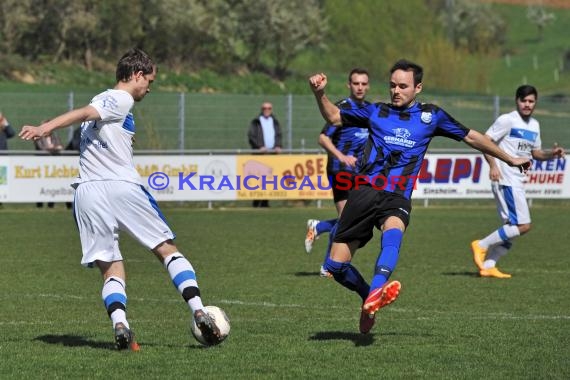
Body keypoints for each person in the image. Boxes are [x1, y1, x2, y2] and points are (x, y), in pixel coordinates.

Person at [19, 48, 223, 350]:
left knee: (111, 267)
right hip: (120, 186)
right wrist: (45, 128)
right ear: (137, 75)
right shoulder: (119, 98)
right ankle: (199, 311)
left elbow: (98, 123)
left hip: (87, 193)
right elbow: (87, 113)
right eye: (149, 81)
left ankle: (121, 324)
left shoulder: (108, 106)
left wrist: (125, 139)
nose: (149, 89)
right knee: (166, 250)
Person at [308, 59, 531, 335]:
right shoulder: (376, 111)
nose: (396, 91)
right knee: (336, 266)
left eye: (403, 86)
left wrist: (509, 159)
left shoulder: (431, 116)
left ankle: (378, 287)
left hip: (397, 195)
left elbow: (472, 137)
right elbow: (333, 117)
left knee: (394, 231)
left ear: (418, 88)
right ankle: (369, 297)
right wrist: (320, 93)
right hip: (364, 192)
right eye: (392, 85)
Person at [470, 85, 565, 278]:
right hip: (506, 178)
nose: (527, 105)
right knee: (523, 225)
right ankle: (481, 245)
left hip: (517, 180)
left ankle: (489, 265)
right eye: (524, 100)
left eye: (531, 101)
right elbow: (484, 142)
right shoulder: (507, 120)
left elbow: (535, 153)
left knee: (511, 227)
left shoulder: (534, 125)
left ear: (535, 103)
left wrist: (551, 154)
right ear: (517, 101)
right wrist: (494, 166)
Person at [304, 68, 371, 278]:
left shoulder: (369, 110)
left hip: (359, 172)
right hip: (339, 170)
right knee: (346, 220)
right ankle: (327, 266)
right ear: (349, 85)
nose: (359, 87)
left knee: (358, 218)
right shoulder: (342, 108)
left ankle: (320, 226)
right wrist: (341, 156)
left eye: (363, 84)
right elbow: (323, 138)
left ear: (368, 86)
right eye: (356, 83)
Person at [247, 101, 282, 207]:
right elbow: (251, 136)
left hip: (272, 154)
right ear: (261, 109)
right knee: (257, 179)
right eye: (264, 108)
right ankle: (256, 201)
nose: (267, 110)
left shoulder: (275, 122)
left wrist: (278, 146)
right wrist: (259, 147)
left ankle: (265, 202)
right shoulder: (256, 122)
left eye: (269, 108)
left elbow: (279, 135)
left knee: (270, 179)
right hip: (260, 154)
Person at [34, 131, 64, 208]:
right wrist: (53, 148)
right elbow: (41, 149)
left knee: (53, 184)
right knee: (40, 184)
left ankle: (51, 205)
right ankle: (39, 205)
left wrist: (52, 148)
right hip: (42, 165)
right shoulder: (38, 138)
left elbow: (60, 146)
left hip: (53, 165)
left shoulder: (55, 137)